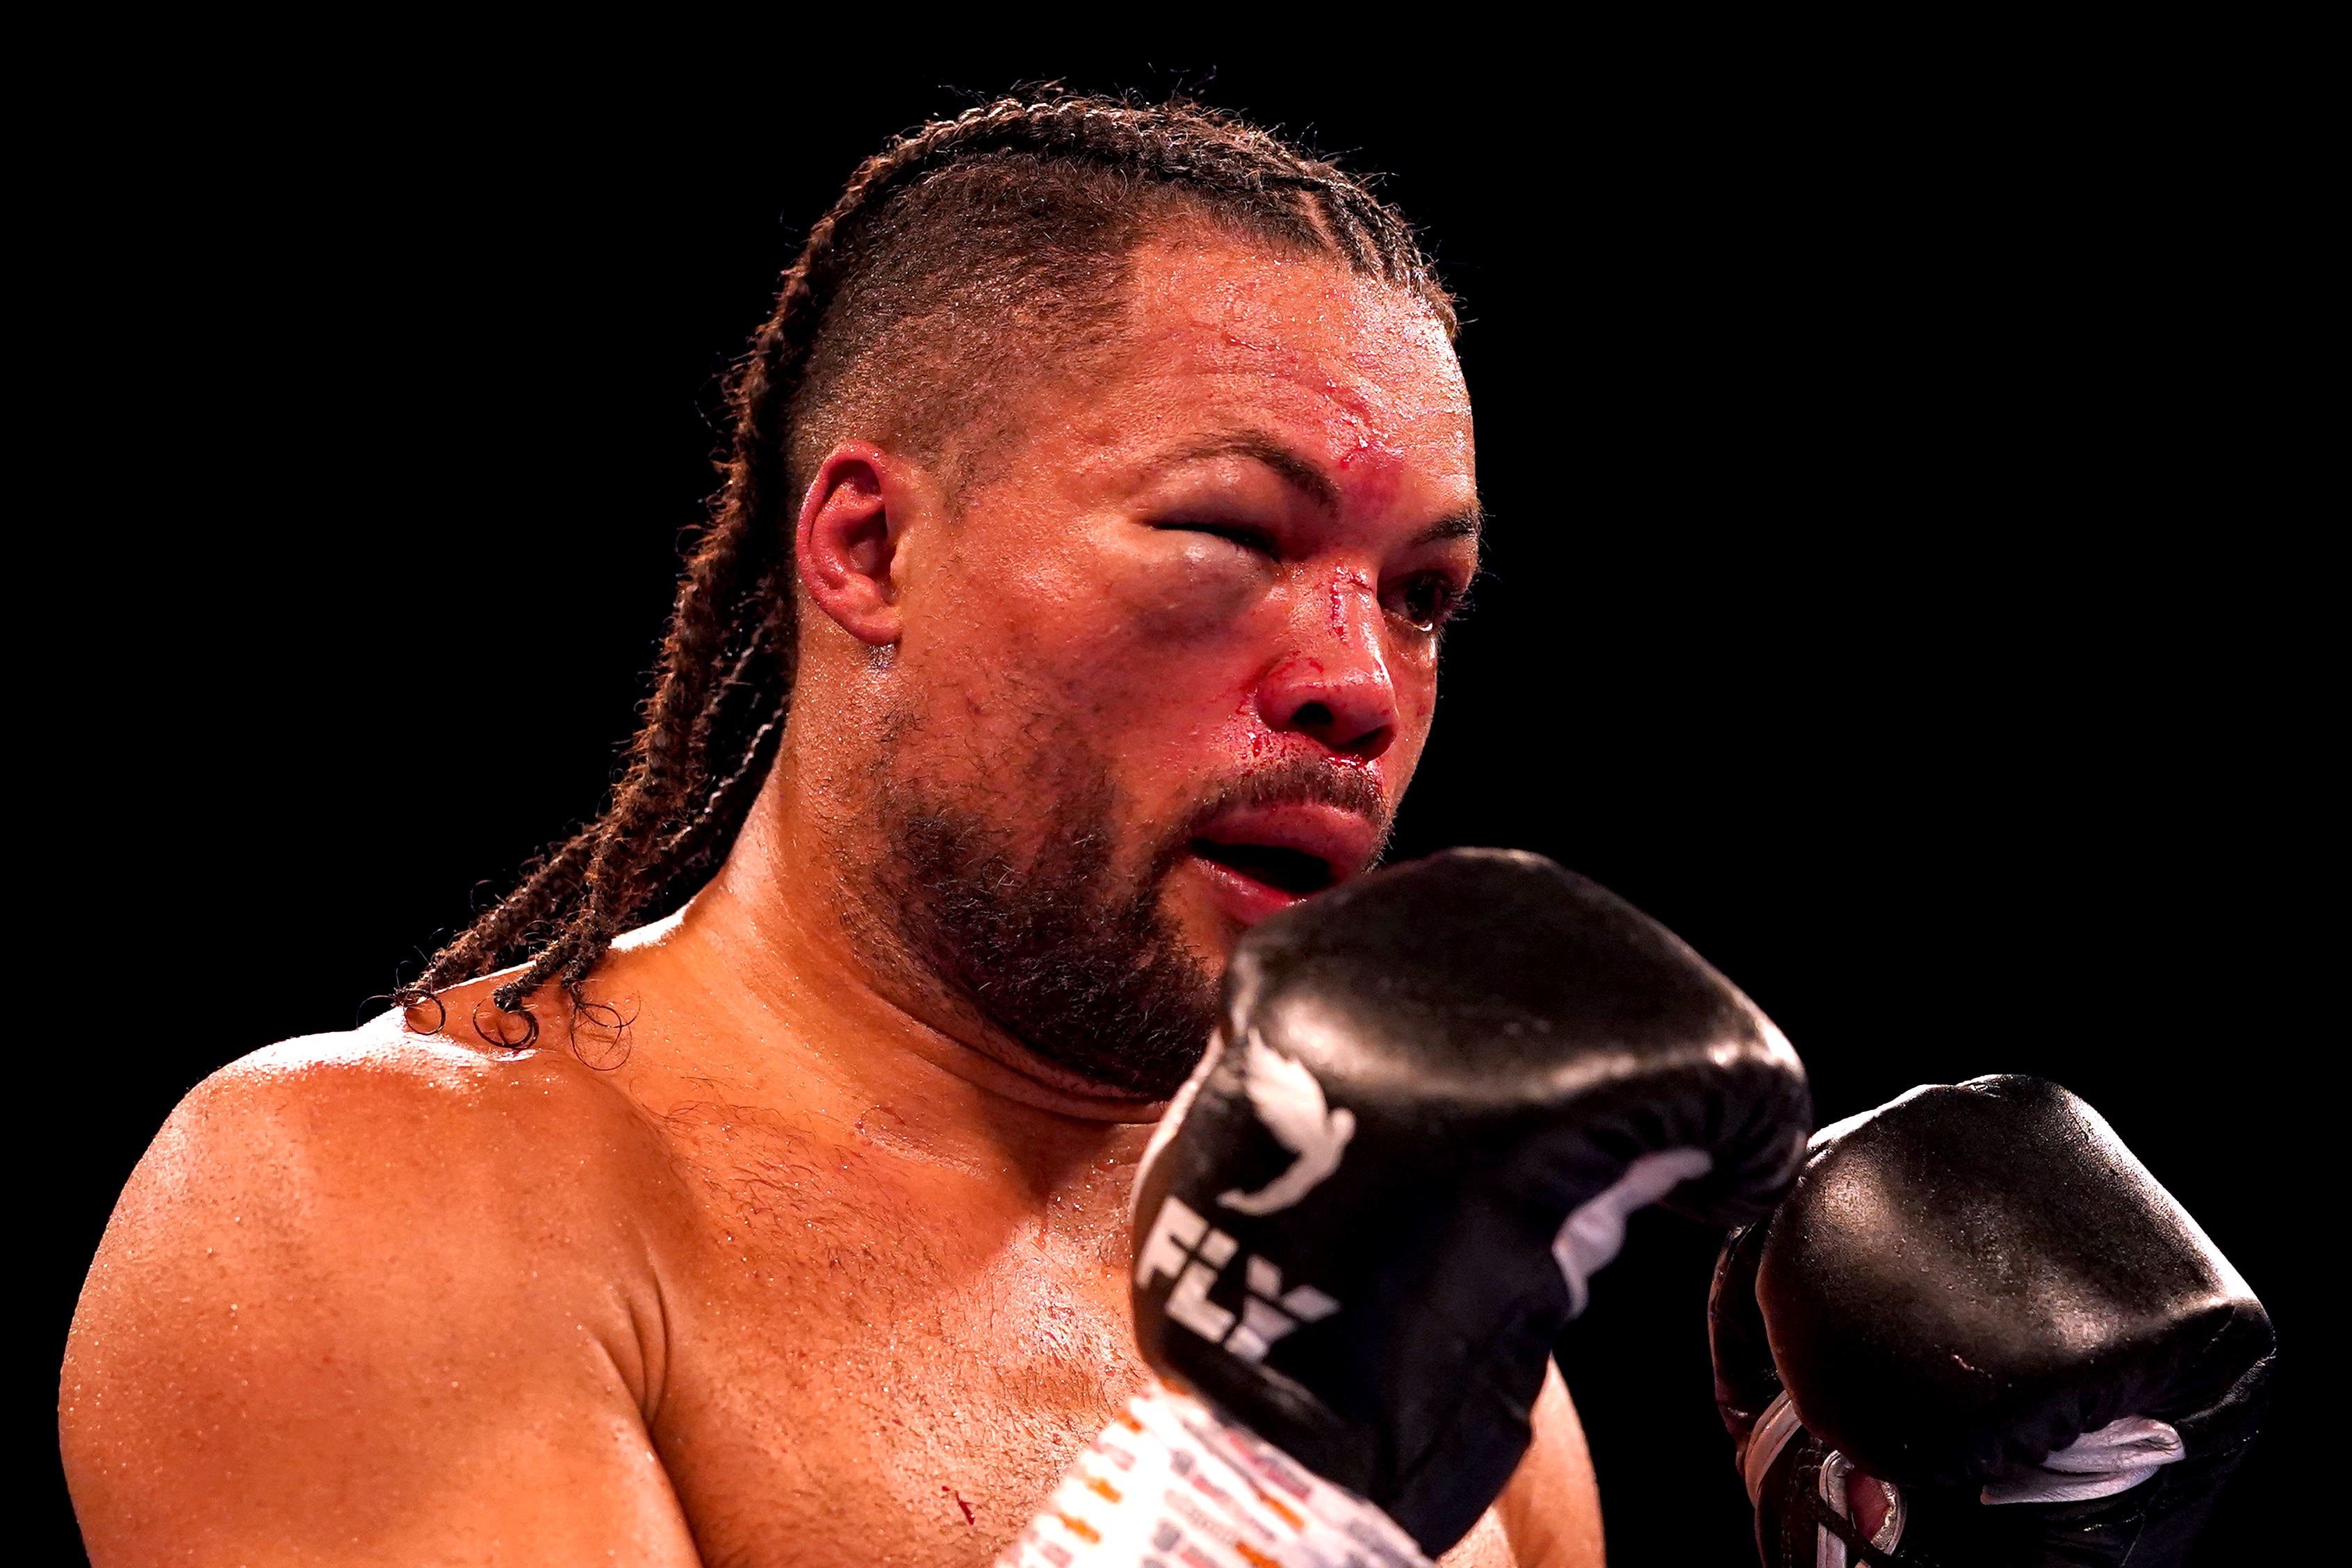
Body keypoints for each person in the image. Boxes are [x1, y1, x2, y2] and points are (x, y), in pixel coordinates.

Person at [61, 96, 1605, 1566]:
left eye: (1422, 601)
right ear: (869, 547)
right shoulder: (385, 1204)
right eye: (1229, 535)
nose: (1355, 684)